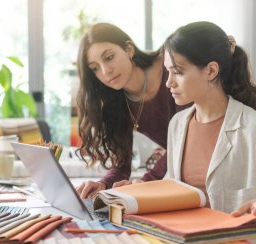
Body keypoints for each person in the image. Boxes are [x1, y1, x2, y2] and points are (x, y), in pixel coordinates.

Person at [163, 21, 256, 244]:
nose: (168, 82)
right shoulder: (177, 125)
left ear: (211, 71)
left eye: (178, 72)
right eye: (168, 71)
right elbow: (172, 190)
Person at [75, 23, 189, 199]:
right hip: (180, 172)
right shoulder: (116, 100)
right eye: (95, 68)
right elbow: (122, 166)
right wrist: (103, 184)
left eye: (109, 57)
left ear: (128, 49)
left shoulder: (171, 69)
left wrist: (144, 182)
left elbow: (185, 142)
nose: (106, 71)